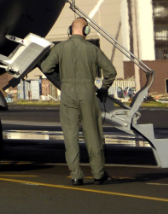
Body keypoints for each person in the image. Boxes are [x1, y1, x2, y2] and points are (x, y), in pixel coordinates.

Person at [39, 17, 117, 185]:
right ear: (86, 31)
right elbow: (111, 71)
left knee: (70, 136)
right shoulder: (92, 49)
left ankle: (76, 175)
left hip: (67, 92)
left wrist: (62, 78)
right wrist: (103, 88)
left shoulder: (60, 48)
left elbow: (46, 68)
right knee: (93, 134)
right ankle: (98, 174)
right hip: (87, 92)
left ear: (69, 30)